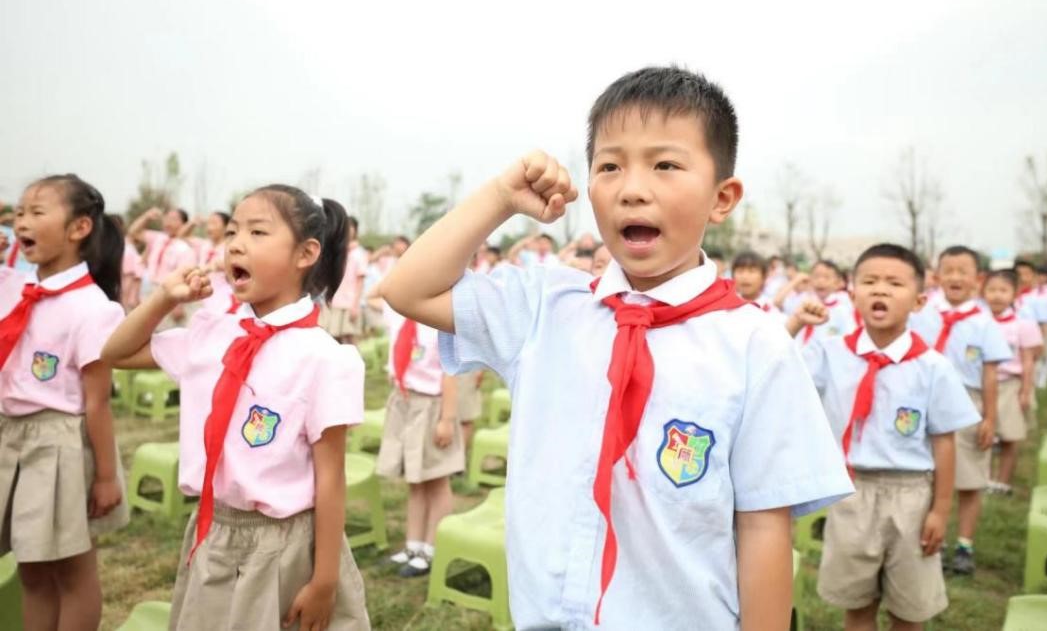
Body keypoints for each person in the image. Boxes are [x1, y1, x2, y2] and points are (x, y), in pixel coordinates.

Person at [380, 66, 853, 629]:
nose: (632, 188)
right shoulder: (546, 308)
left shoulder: (756, 345)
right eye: (609, 166)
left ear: (721, 198)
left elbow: (764, 527)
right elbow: (407, 288)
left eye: (666, 165)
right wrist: (500, 198)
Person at [101, 185, 370, 630]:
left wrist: (324, 582)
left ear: (305, 254)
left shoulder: (323, 357)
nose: (236, 245)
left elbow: (331, 477)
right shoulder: (213, 334)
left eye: (257, 232)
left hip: (285, 544)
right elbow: (117, 353)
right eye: (231, 233)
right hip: (214, 530)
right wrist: (166, 298)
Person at [795, 243, 977, 630]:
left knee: (907, 609)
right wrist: (796, 325)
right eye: (870, 281)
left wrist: (941, 510)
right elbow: (777, 375)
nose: (880, 290)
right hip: (852, 491)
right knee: (857, 604)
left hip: (910, 494)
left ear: (919, 300)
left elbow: (945, 441)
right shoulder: (829, 353)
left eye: (895, 283)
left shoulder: (932, 368)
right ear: (852, 293)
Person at [0, 174, 129, 631]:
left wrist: (108, 477)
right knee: (31, 567)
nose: (22, 222)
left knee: (72, 570)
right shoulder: (11, 286)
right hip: (10, 437)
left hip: (60, 442)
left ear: (79, 229)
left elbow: (97, 403)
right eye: (19, 213)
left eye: (37, 212)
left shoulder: (93, 308)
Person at [910, 245, 1011, 576]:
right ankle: (929, 540)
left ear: (977, 279)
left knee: (969, 480)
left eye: (962, 271)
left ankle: (964, 543)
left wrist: (990, 417)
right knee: (925, 476)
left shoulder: (984, 323)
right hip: (922, 401)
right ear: (936, 277)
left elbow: (990, 374)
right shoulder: (921, 313)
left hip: (969, 404)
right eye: (948, 270)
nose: (954, 277)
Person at [374, 297, 463, 578]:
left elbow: (450, 373)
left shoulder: (441, 321)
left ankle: (431, 547)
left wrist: (447, 419)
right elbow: (378, 291)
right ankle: (412, 545)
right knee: (415, 480)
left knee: (436, 479)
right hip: (405, 401)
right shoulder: (400, 312)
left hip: (431, 406)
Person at [982, 270, 1042, 495]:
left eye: (1003, 290)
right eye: (991, 290)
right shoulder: (978, 322)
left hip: (1010, 385)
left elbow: (1028, 361)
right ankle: (983, 479)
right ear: (983, 292)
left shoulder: (1023, 325)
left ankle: (1002, 482)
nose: (997, 296)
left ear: (1014, 294)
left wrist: (1025, 391)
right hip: (982, 385)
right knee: (983, 435)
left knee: (1009, 435)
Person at [127, 206, 198, 327]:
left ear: (184, 223)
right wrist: (146, 217)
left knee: (165, 331)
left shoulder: (186, 248)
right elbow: (134, 232)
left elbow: (185, 277)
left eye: (174, 219)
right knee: (147, 329)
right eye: (167, 218)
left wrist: (179, 304)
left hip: (169, 294)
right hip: (150, 290)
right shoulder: (158, 238)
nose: (169, 222)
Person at [321, 217, 367, 345]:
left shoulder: (359, 253)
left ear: (355, 230)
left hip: (349, 303)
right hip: (334, 301)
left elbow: (360, 282)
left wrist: (355, 305)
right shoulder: (337, 252)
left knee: (350, 340)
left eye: (350, 227)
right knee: (332, 340)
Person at [1013, 258, 1047, 388]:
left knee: (1028, 377)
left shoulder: (1039, 299)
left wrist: (1038, 347)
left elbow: (1043, 326)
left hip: (1030, 345)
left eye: (1027, 274)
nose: (1023, 278)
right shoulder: (1009, 295)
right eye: (1019, 274)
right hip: (1012, 343)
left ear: (1034, 276)